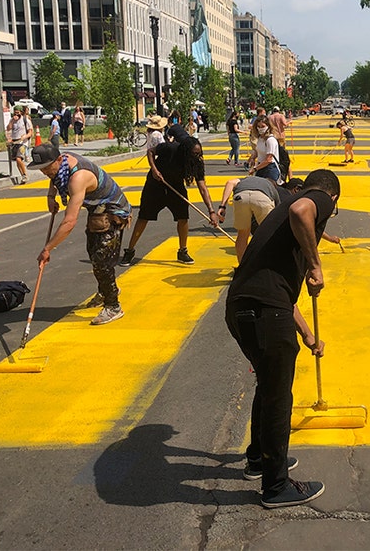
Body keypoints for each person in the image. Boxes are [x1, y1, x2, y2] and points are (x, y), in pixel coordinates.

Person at [224, 169, 337, 509]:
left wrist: (307, 334)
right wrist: (316, 265)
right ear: (333, 199)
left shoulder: (281, 224)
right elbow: (302, 211)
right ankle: (276, 486)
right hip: (262, 312)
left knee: (269, 386)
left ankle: (259, 458)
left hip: (246, 307)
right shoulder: (317, 198)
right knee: (277, 397)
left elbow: (282, 298)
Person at [30, 143, 131, 325]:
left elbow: (69, 222)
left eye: (46, 167)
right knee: (93, 253)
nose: (45, 172)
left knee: (102, 260)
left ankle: (113, 305)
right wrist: (51, 197)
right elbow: (54, 177)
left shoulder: (78, 177)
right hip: (96, 209)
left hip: (112, 211)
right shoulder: (62, 164)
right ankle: (105, 289)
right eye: (41, 169)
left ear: (58, 160)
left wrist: (47, 249)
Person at [120, 135, 216, 267]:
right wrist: (154, 169)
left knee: (183, 218)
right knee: (144, 217)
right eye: (194, 153)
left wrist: (211, 211)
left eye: (199, 153)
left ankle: (183, 251)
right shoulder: (170, 148)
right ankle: (130, 251)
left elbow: (203, 187)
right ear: (186, 151)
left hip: (176, 187)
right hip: (155, 185)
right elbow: (150, 151)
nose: (197, 156)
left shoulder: (197, 162)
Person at [213, 174, 283, 263]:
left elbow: (230, 182)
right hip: (262, 198)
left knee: (242, 235)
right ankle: (269, 264)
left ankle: (242, 267)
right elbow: (277, 212)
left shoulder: (245, 179)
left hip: (241, 197)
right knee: (268, 233)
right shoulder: (271, 187)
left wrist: (222, 206)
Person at [250, 116, 281, 182]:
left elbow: (268, 159)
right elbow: (258, 151)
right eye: (258, 126)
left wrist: (255, 169)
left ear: (268, 126)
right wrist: (252, 158)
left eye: (263, 126)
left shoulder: (270, 140)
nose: (260, 128)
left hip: (270, 169)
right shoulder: (260, 138)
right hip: (261, 167)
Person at [6, 107, 33, 184]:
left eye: (18, 112)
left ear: (21, 112)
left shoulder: (26, 120)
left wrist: (24, 137)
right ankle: (22, 175)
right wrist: (12, 121)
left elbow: (30, 132)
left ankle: (25, 175)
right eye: (15, 112)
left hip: (23, 143)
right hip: (15, 142)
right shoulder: (13, 120)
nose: (16, 114)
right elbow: (8, 129)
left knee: (19, 158)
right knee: (17, 162)